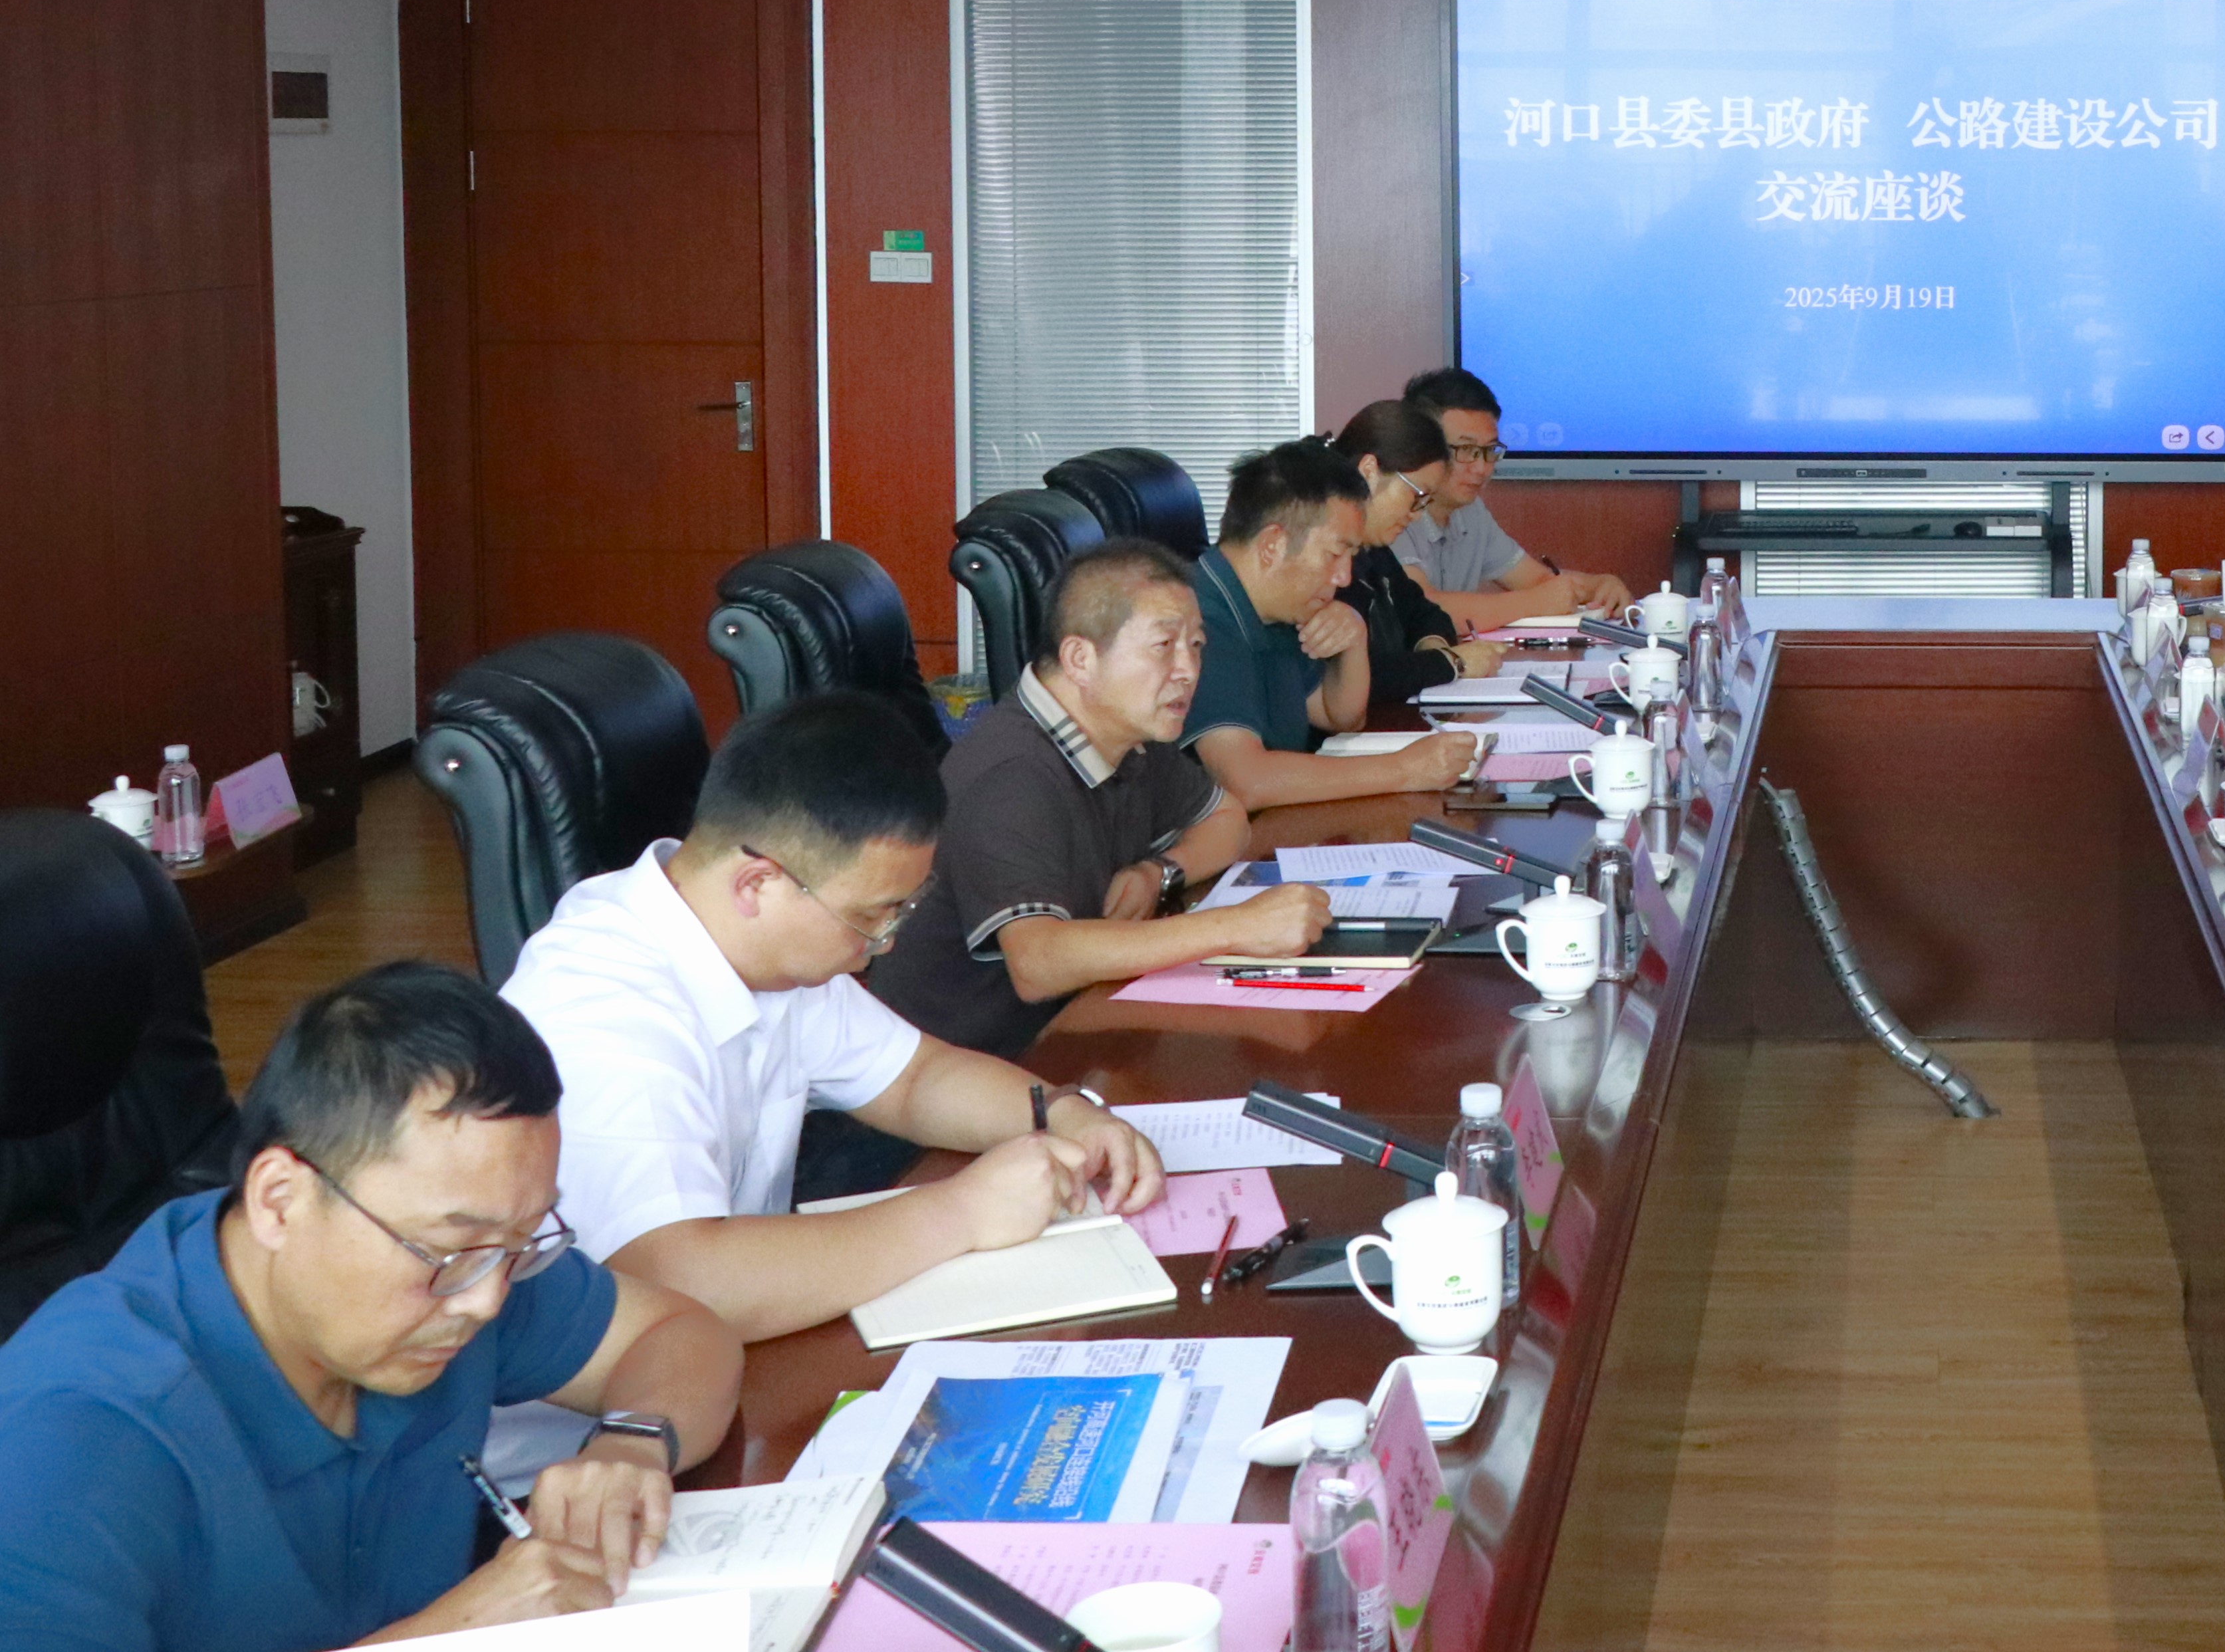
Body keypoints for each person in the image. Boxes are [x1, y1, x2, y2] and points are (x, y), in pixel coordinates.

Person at [0, 962, 743, 1649]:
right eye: (448, 1250)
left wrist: (633, 1443)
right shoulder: (72, 1440)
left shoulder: (467, 1263)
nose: (487, 1301)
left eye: (522, 1240)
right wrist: (446, 1637)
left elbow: (680, 1335)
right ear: (279, 1201)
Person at [500, 691, 1175, 1344]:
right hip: (608, 1404)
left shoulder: (766, 949)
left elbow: (915, 1078)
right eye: (870, 917)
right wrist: (963, 1212)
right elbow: (679, 1279)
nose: (882, 946)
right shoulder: (604, 1013)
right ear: (756, 883)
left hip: (737, 1344)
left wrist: (1063, 1112)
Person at [866, 544, 1335, 1060]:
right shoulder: (1011, 775)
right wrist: (1236, 928)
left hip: (1078, 1029)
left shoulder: (1126, 734)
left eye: (1197, 645)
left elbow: (1227, 818)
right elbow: (1038, 962)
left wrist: (1159, 874)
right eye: (1164, 645)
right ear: (1080, 659)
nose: (1188, 670)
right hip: (974, 1070)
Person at [1187, 440, 1487, 814]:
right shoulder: (1198, 620)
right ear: (1272, 545)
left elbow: (1339, 717)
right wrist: (1404, 770)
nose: (1344, 577)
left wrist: (1355, 639)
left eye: (1351, 556)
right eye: (1334, 554)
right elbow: (1246, 781)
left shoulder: (1274, 608)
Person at [1397, 366, 1637, 632]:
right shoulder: (1394, 511)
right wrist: (1533, 602)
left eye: (1490, 450)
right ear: (1421, 446)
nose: (1482, 468)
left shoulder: (1471, 511)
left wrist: (1599, 586)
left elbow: (1537, 581)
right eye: (1465, 449)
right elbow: (1420, 609)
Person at [1333, 399, 1507, 715]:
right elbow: (1359, 678)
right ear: (1369, 472)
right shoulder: (1324, 563)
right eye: (1416, 496)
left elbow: (1426, 613)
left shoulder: (1373, 549)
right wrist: (1450, 663)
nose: (1416, 514)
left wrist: (1432, 646)